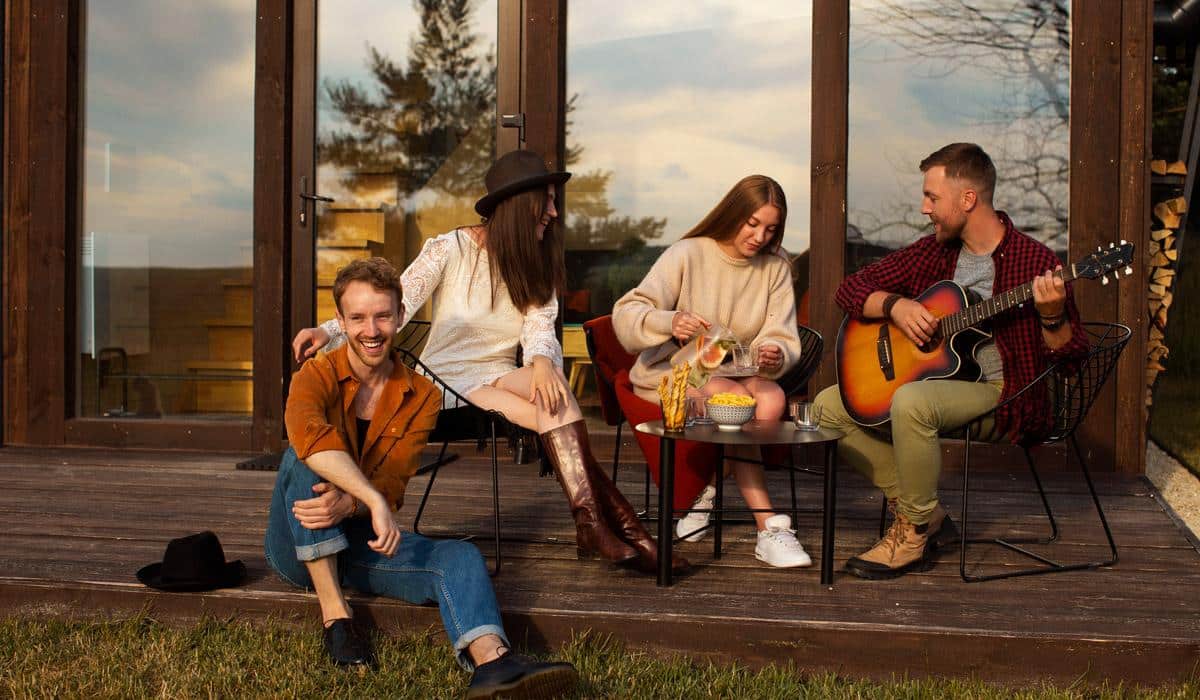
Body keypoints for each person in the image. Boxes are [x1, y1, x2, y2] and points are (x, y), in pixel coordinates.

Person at [292, 149, 685, 575]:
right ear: (519, 208)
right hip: (445, 379)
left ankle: (596, 526)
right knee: (552, 410)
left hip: (497, 373)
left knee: (554, 392)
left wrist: (540, 362)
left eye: (554, 201)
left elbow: (540, 328)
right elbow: (393, 300)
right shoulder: (450, 248)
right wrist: (328, 331)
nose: (553, 212)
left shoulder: (536, 265)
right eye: (546, 202)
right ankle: (631, 533)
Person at [265, 258, 578, 697]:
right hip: (296, 545)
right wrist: (369, 500)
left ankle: (493, 664)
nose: (370, 330)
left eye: (382, 316)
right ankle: (337, 620)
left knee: (460, 557)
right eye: (357, 318)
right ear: (340, 321)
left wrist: (355, 503)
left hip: (359, 538)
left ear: (399, 315)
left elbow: (392, 483)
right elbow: (311, 439)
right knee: (301, 459)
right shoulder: (314, 375)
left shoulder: (421, 394)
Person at [812, 142, 1089, 580]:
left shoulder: (1035, 262)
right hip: (938, 386)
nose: (924, 208)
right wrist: (896, 308)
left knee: (911, 402)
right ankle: (925, 511)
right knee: (828, 406)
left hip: (1008, 394)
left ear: (968, 199)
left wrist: (1052, 315)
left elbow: (1071, 360)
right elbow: (850, 289)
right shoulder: (935, 252)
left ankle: (914, 531)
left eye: (932, 197)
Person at [611, 175, 812, 569]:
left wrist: (776, 353)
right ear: (733, 212)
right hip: (676, 374)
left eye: (770, 228)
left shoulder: (775, 267)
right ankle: (768, 526)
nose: (759, 236)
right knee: (734, 402)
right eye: (752, 223)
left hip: (737, 370)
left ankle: (708, 493)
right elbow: (627, 313)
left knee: (772, 399)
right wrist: (670, 321)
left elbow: (783, 335)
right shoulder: (688, 253)